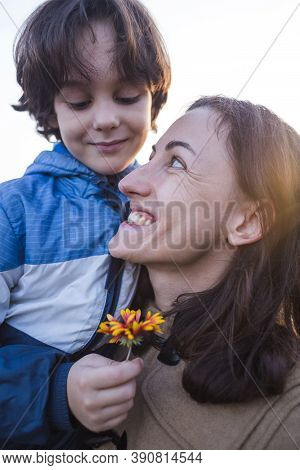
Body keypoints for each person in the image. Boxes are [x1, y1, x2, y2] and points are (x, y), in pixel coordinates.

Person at [0, 0, 170, 449]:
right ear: (51, 110)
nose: (106, 118)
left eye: (128, 95)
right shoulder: (14, 210)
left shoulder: (155, 196)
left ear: (153, 99)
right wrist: (58, 394)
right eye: (78, 100)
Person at [109, 95, 300, 449]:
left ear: (247, 221)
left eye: (177, 163)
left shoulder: (288, 417)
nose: (129, 182)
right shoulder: (95, 323)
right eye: (151, 157)